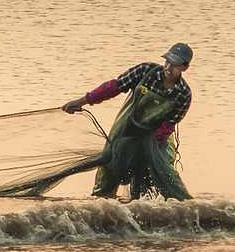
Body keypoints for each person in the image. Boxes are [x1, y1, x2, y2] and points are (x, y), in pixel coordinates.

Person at [62, 43, 194, 200]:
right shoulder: (145, 72)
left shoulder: (184, 94)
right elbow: (114, 87)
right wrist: (82, 101)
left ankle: (161, 210)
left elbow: (169, 125)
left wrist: (149, 146)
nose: (169, 67)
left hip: (157, 136)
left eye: (175, 65)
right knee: (112, 163)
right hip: (128, 126)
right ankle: (103, 205)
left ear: (185, 67)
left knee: (162, 170)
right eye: (167, 62)